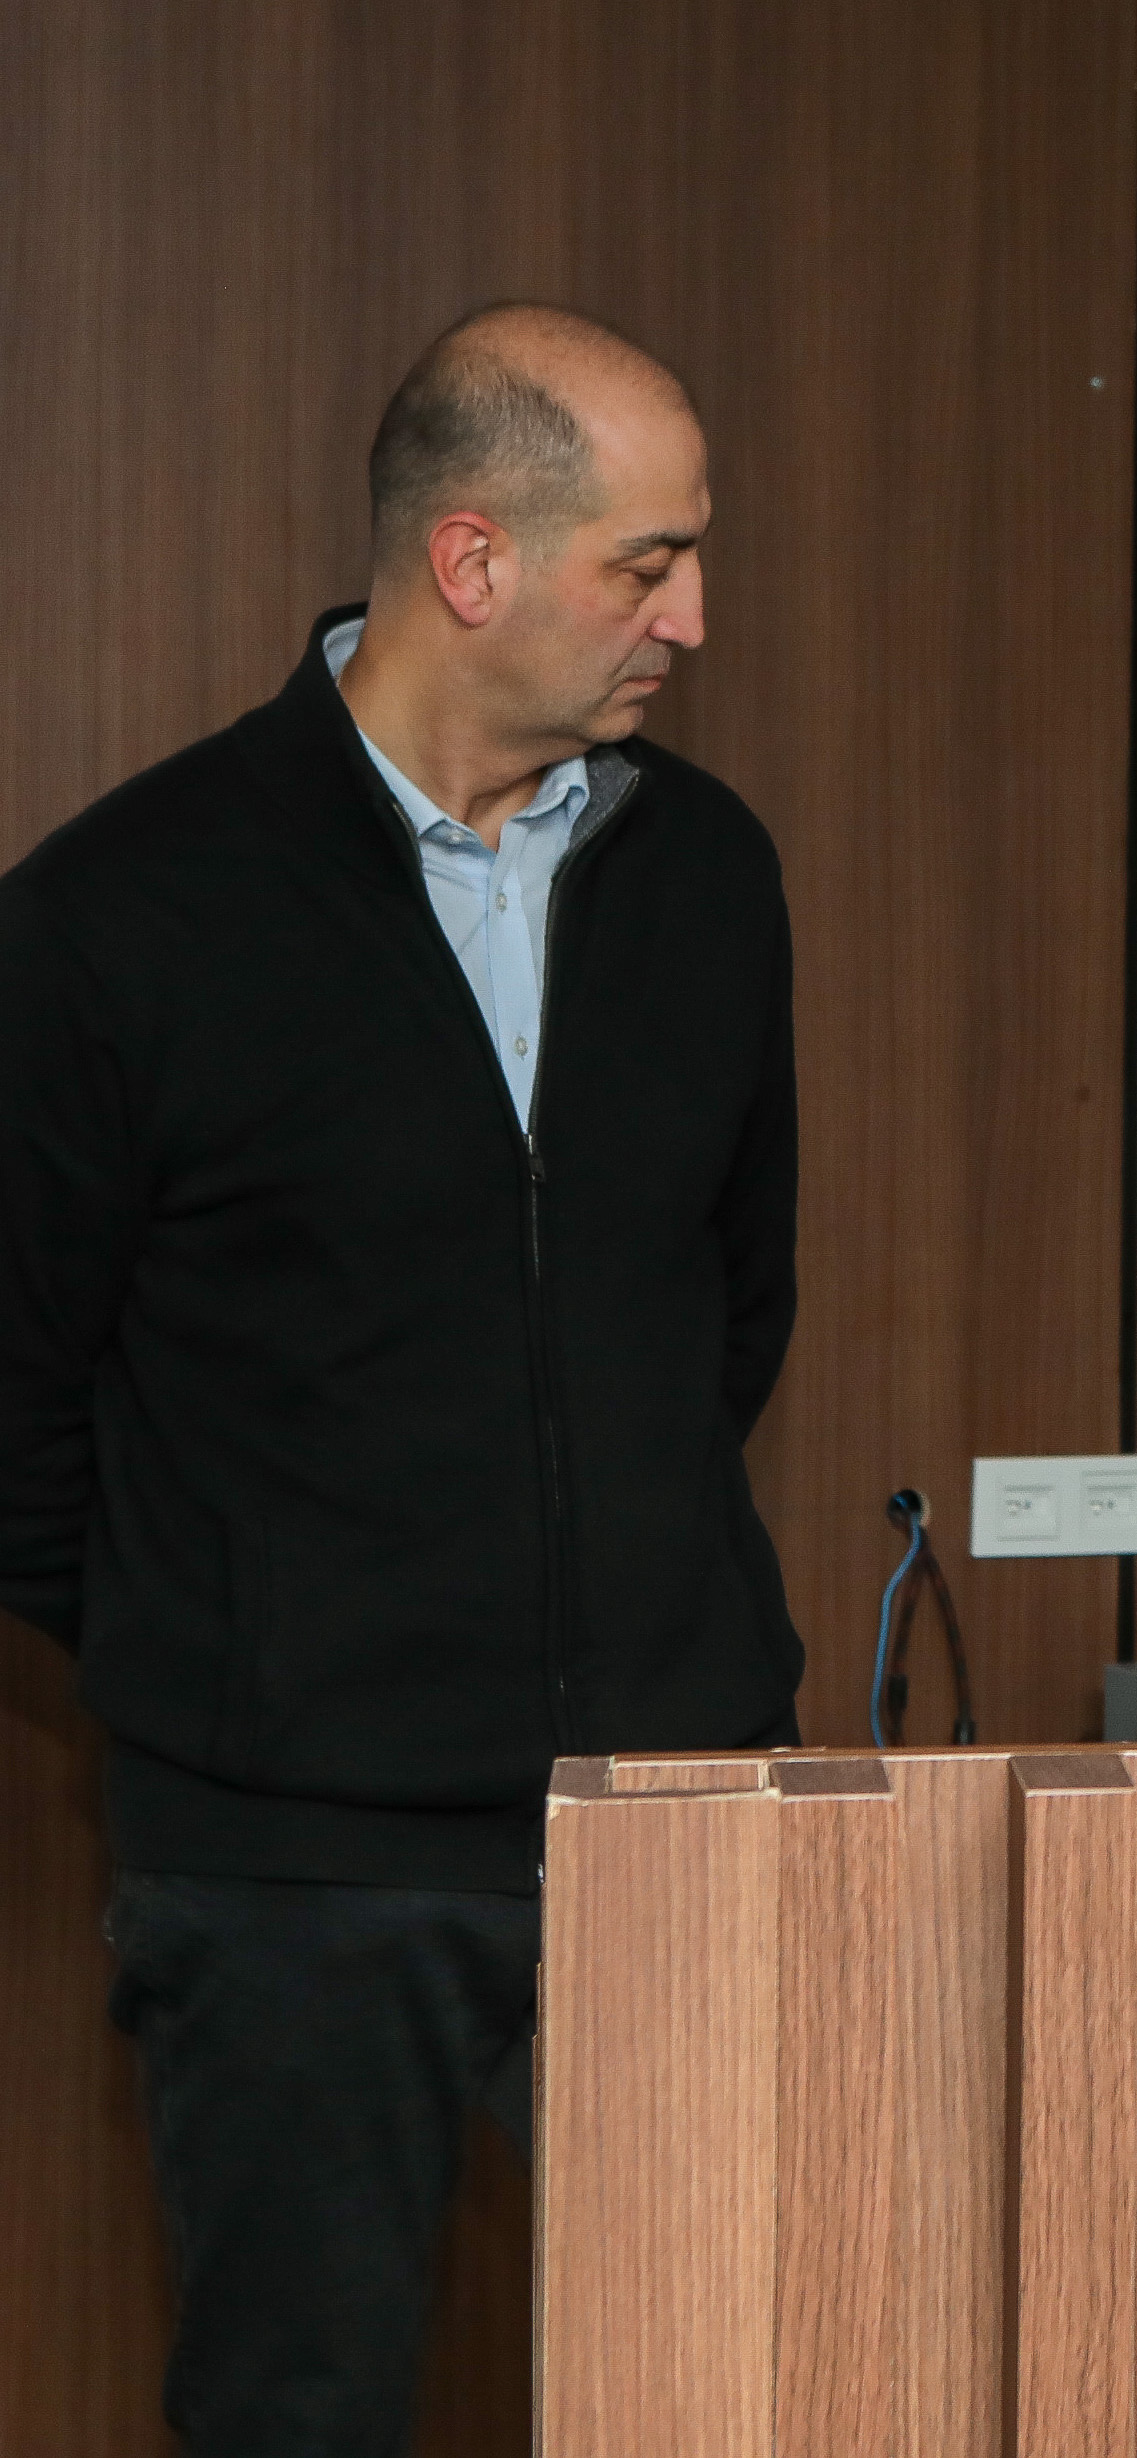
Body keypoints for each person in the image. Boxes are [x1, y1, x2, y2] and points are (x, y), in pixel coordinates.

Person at [0, 303, 800, 2451]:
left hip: (676, 1824)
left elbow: (727, 1310)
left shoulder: (710, 875)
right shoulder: (119, 914)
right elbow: (16, 1407)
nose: (691, 618)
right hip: (293, 1870)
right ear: (472, 559)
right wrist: (244, 1640)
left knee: (744, 2392)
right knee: (302, 2415)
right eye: (648, 564)